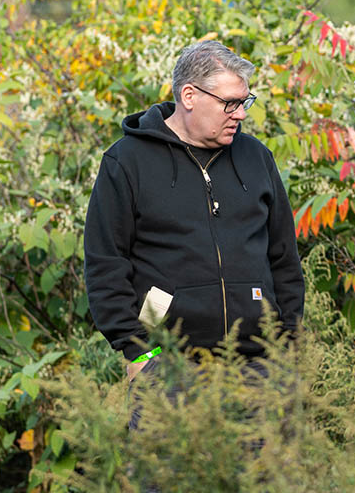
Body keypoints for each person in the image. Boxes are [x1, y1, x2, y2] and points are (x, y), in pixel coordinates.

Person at [84, 40, 305, 384]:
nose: (241, 114)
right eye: (229, 103)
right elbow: (106, 262)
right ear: (189, 96)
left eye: (245, 101)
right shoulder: (127, 161)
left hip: (262, 370)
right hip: (169, 369)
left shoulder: (256, 158)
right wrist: (137, 350)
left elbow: (284, 259)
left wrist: (286, 346)